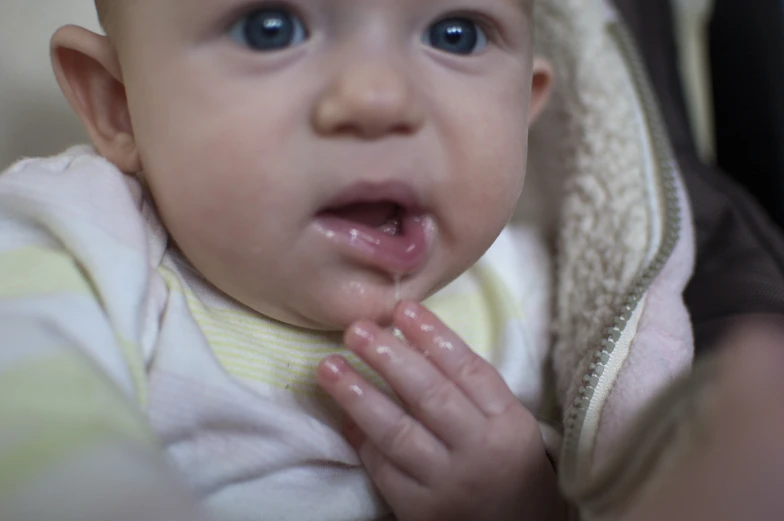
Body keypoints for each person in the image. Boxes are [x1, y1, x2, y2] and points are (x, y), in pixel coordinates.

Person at [0, 0, 695, 520]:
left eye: (455, 34)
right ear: (118, 106)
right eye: (270, 27)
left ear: (525, 105)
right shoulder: (72, 237)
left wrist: (527, 499)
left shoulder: (535, 294)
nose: (378, 99)